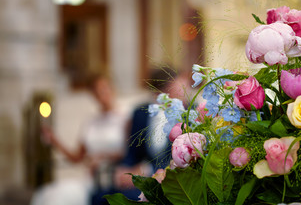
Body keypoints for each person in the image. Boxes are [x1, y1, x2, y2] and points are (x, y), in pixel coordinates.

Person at [31, 74, 130, 205]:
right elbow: (76, 157)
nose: (101, 94)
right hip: (90, 180)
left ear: (112, 89)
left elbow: (130, 153)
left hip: (112, 179)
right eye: (96, 91)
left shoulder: (126, 118)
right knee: (46, 194)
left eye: (104, 89)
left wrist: (102, 157)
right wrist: (54, 140)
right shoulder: (91, 122)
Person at [109, 67, 193, 200]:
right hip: (140, 180)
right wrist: (123, 170)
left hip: (175, 181)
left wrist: (146, 171)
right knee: (105, 195)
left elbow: (184, 157)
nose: (184, 89)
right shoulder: (141, 112)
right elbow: (132, 152)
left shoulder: (192, 113)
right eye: (178, 85)